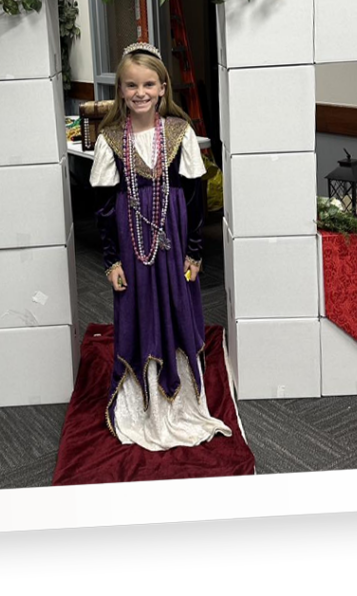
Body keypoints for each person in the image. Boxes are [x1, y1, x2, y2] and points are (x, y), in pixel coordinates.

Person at [91, 42, 232, 451]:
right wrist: (112, 260)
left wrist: (194, 251)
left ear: (163, 87)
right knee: (137, 308)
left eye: (148, 84)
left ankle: (180, 395)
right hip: (130, 237)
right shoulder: (109, 139)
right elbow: (102, 207)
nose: (140, 92)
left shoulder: (179, 133)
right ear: (120, 90)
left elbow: (193, 195)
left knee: (174, 304)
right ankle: (143, 400)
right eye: (131, 85)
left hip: (172, 239)